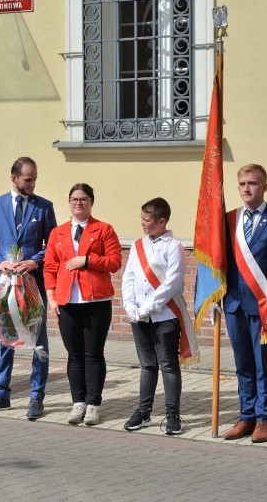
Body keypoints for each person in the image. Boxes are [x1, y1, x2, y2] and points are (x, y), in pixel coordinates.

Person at [0, 156, 57, 420]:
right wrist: (0, 264)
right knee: (5, 338)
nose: (32, 184)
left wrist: (34, 261)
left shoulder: (44, 207)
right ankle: (1, 394)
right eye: (27, 179)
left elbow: (51, 246)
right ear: (14, 178)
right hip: (6, 285)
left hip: (34, 285)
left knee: (37, 340)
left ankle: (36, 397)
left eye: (34, 180)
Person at [218, 164, 267, 444]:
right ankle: (246, 416)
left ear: (265, 187)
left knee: (263, 364)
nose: (247, 189)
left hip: (263, 307)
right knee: (242, 365)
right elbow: (219, 261)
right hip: (235, 304)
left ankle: (263, 418)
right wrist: (216, 296)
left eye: (252, 183)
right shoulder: (228, 220)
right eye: (242, 184)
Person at [43, 183, 121, 426]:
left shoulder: (104, 229)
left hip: (96, 301)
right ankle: (78, 402)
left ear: (91, 202)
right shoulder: (58, 232)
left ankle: (94, 404)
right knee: (74, 355)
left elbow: (114, 261)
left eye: (84, 199)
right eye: (74, 199)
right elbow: (50, 267)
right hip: (68, 301)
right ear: (69, 203)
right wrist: (51, 297)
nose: (79, 203)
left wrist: (86, 260)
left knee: (93, 354)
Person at [122, 197, 198, 435]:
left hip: (164, 315)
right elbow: (129, 277)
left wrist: (147, 307)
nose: (143, 224)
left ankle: (172, 415)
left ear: (161, 220)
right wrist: (130, 305)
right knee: (147, 365)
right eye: (142, 219)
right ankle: (144, 412)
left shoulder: (173, 247)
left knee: (168, 365)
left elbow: (171, 284)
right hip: (139, 316)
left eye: (147, 220)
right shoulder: (137, 245)